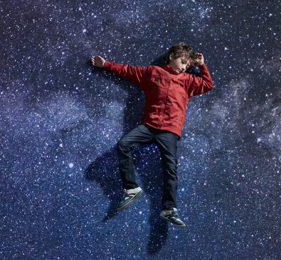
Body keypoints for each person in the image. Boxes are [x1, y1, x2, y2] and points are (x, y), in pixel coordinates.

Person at [91, 42, 213, 227]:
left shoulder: (188, 81)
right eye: (182, 62)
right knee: (124, 145)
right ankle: (131, 188)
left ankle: (169, 208)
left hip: (170, 132)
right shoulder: (153, 73)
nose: (184, 67)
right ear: (171, 56)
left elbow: (208, 84)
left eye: (188, 66)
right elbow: (128, 71)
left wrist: (201, 65)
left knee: (170, 169)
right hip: (149, 126)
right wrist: (105, 64)